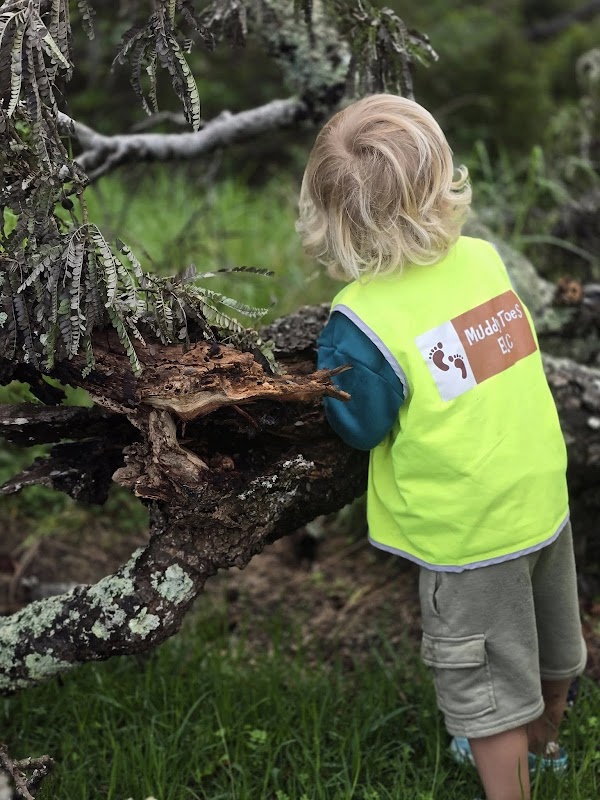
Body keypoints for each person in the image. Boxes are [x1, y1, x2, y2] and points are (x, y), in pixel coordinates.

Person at [296, 93, 587, 800]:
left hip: (468, 530)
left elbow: (361, 425)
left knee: (489, 696)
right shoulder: (484, 261)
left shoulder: (362, 319)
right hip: (541, 494)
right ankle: (547, 748)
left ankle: (509, 784)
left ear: (334, 217)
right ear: (441, 181)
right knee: (554, 644)